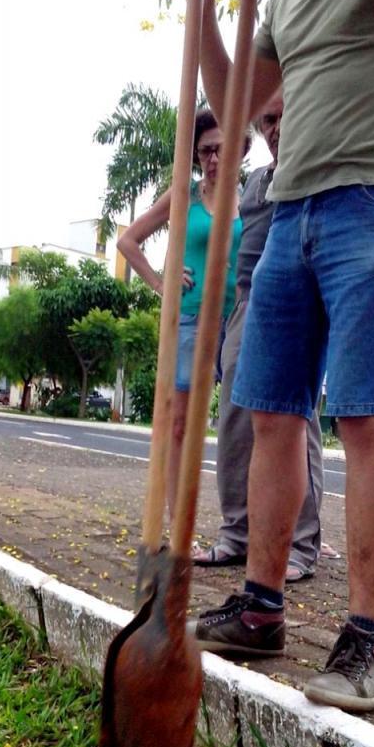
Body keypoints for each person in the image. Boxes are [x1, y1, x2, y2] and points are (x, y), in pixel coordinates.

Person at [176, 0, 374, 711]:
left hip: (373, 204)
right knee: (269, 414)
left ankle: (365, 641)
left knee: (363, 418)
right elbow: (235, 104)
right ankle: (261, 607)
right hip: (289, 211)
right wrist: (199, 13)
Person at [192, 91, 339, 582]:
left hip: (296, 306)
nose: (276, 128)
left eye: (284, 117)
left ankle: (300, 545)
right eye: (269, 120)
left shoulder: (318, 177)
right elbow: (238, 262)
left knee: (294, 423)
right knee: (233, 418)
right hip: (247, 308)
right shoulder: (254, 185)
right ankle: (236, 533)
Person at [117, 109, 245, 517]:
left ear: (240, 152)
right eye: (206, 150)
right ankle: (177, 523)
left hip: (240, 320)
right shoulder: (184, 196)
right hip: (190, 319)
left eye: (222, 150)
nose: (213, 159)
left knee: (244, 427)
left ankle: (242, 527)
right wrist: (161, 282)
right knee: (180, 425)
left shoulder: (254, 195)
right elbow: (128, 241)